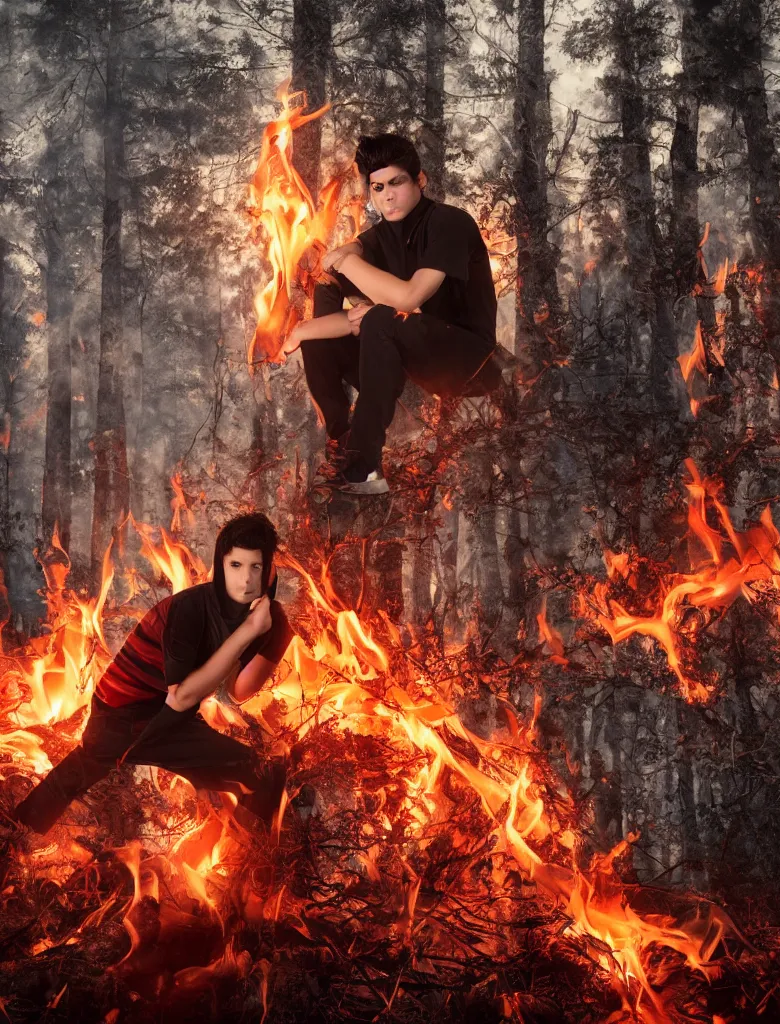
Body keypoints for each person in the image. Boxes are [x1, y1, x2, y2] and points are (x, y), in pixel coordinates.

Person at [12, 513, 294, 836]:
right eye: (236, 566)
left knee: (241, 772)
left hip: (157, 715)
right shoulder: (189, 610)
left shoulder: (246, 613)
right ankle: (258, 861)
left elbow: (238, 690)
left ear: (270, 571)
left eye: (256, 567)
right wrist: (248, 632)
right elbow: (181, 696)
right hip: (128, 716)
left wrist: (274, 637)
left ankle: (18, 830)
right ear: (221, 564)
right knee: (257, 773)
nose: (245, 580)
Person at [283, 133, 502, 496]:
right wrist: (302, 330)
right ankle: (342, 447)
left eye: (397, 182)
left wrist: (349, 260)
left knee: (381, 317)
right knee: (324, 315)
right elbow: (344, 284)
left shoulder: (449, 223)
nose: (387, 195)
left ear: (420, 180)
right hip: (410, 361)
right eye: (377, 186)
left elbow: (409, 297)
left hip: (468, 363)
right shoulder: (380, 236)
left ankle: (362, 468)